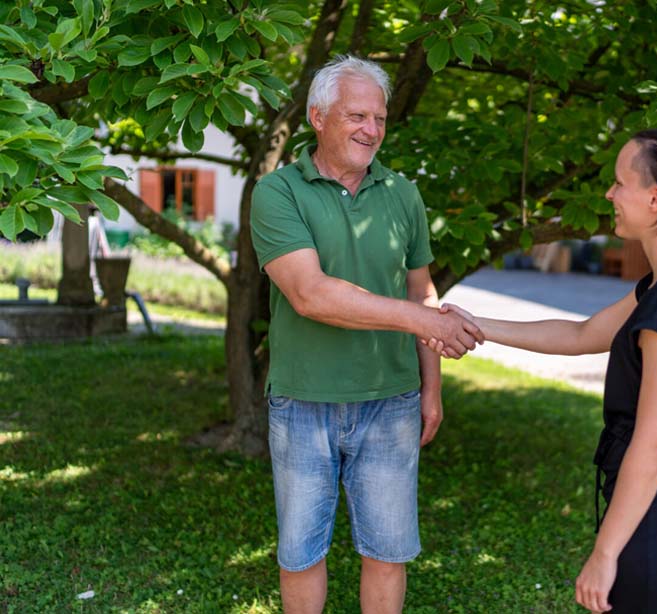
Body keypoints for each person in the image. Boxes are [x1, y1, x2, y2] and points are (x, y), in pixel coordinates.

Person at [435, 129, 657, 612]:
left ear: (655, 199)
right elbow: (583, 334)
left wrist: (605, 553)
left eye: (619, 183)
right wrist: (477, 325)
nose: (609, 194)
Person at [249, 55, 483, 614]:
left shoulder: (402, 194)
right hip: (304, 400)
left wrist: (432, 388)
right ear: (317, 117)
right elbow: (310, 294)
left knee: (388, 550)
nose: (371, 130)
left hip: (391, 402)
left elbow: (421, 292)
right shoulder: (278, 193)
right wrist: (426, 321)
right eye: (356, 115)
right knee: (301, 552)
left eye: (378, 118)